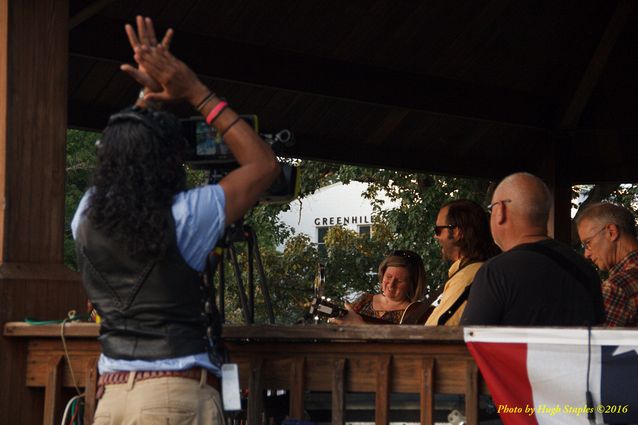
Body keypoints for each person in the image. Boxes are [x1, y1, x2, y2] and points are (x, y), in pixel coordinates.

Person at [72, 17, 279, 425]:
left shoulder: (85, 213)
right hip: (174, 396)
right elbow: (263, 163)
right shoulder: (187, 215)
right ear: (169, 161)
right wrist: (194, 91)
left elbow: (127, 139)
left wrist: (146, 98)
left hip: (112, 402)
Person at [460, 172, 605, 326]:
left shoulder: (495, 273)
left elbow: (466, 344)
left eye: (491, 210)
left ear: (500, 211)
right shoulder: (585, 269)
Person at [425, 199, 500, 326]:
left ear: (456, 232)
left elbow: (435, 331)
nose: (436, 236)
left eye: (438, 230)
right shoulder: (472, 273)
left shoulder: (468, 277)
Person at [576, 202, 638, 326]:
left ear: (611, 232)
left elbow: (594, 344)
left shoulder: (617, 287)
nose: (586, 254)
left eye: (588, 243)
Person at [330, 250, 427, 325]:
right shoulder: (365, 300)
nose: (391, 284)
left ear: (411, 284)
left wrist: (360, 326)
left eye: (399, 281)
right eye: (388, 277)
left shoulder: (415, 313)